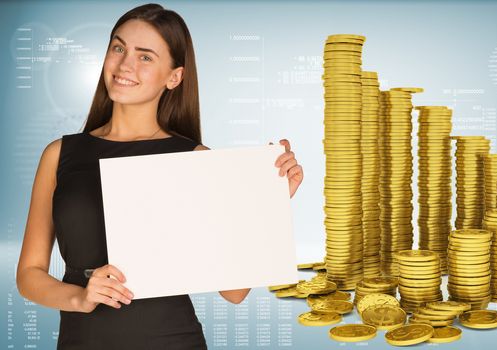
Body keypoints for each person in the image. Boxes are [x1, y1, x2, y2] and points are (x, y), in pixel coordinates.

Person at [15, 3, 304, 349]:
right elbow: (29, 275)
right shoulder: (59, 154)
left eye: (145, 57)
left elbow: (234, 291)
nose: (125, 65)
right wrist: (81, 298)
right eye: (119, 48)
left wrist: (269, 202)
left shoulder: (196, 160)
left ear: (174, 77)